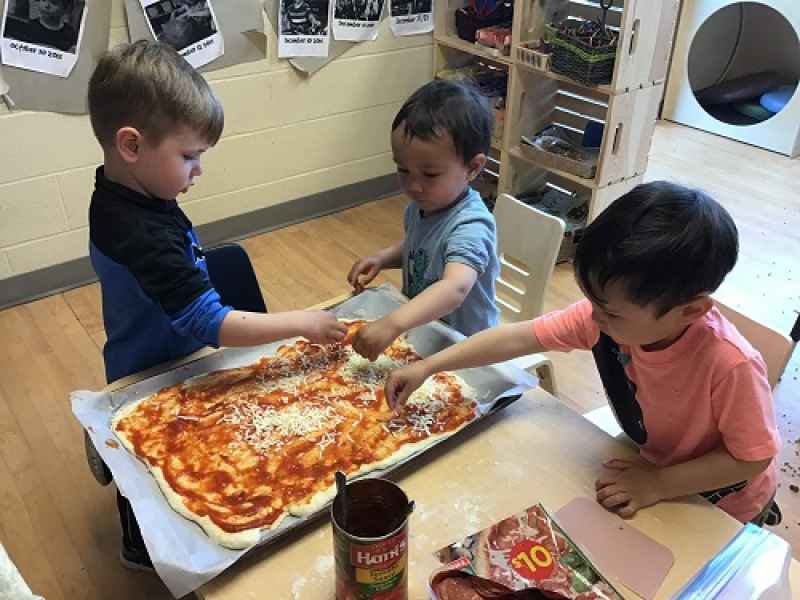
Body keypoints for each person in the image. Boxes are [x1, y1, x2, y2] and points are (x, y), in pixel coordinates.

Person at [86, 40, 347, 570]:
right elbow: (208, 323)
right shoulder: (138, 231)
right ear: (131, 146)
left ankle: (109, 446)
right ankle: (138, 539)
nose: (197, 172)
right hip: (152, 369)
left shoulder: (123, 192)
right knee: (156, 465)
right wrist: (301, 323)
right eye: (189, 157)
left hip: (159, 349)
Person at [386, 181, 781, 526]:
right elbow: (517, 338)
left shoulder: (730, 365)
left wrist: (660, 484)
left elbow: (751, 459)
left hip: (724, 504)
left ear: (691, 310)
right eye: (592, 302)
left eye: (608, 311)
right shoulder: (608, 319)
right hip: (654, 463)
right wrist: (430, 365)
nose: (593, 317)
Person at [347, 79, 500, 361]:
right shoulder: (424, 205)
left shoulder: (471, 225)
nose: (413, 186)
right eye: (403, 170)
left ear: (473, 168)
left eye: (430, 174)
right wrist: (384, 258)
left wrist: (393, 323)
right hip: (425, 333)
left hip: (467, 348)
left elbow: (455, 287)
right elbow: (420, 246)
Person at [3, 0, 78, 52]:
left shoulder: (70, 33)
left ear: (65, 10)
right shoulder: (29, 27)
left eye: (54, 3)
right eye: (43, 0)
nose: (46, 5)